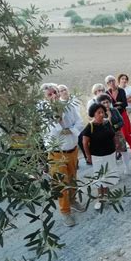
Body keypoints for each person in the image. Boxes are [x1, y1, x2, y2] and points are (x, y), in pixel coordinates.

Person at [41, 83, 84, 227]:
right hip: (57, 154)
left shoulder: (69, 106)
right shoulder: (43, 112)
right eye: (50, 94)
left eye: (55, 92)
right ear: (45, 97)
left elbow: (79, 122)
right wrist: (60, 123)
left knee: (73, 178)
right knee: (61, 183)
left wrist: (70, 129)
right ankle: (65, 211)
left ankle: (73, 200)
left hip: (72, 150)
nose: (54, 96)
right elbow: (51, 132)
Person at [82, 103, 118, 210]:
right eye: (99, 113)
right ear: (93, 114)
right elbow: (85, 143)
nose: (102, 114)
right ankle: (99, 198)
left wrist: (115, 146)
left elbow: (113, 135)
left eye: (102, 112)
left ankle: (106, 195)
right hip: (98, 156)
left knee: (108, 175)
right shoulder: (90, 126)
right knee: (99, 178)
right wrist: (88, 156)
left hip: (110, 154)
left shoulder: (107, 123)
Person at [97, 94, 131, 177]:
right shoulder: (99, 114)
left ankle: (128, 169)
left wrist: (114, 126)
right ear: (100, 104)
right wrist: (109, 118)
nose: (106, 104)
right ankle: (114, 174)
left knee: (124, 152)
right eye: (104, 103)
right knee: (111, 156)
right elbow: (102, 126)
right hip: (107, 138)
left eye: (107, 102)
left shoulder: (115, 110)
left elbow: (122, 122)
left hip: (118, 134)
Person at [105, 75, 131, 160]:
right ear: (107, 83)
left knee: (126, 134)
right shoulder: (107, 93)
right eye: (109, 82)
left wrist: (115, 106)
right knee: (116, 134)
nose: (111, 83)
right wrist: (118, 105)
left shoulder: (121, 90)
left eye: (112, 80)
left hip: (122, 114)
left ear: (115, 81)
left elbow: (124, 104)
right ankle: (119, 151)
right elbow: (108, 106)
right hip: (112, 116)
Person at [80, 83, 105, 165]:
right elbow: (89, 114)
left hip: (104, 123)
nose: (100, 92)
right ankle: (89, 157)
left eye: (102, 90)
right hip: (95, 124)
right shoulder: (91, 101)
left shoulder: (105, 99)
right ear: (95, 92)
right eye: (98, 90)